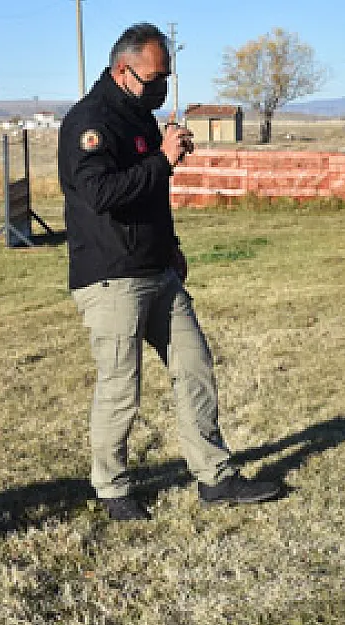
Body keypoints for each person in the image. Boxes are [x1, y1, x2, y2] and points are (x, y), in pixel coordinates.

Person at [58, 22, 280, 520]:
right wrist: (162, 158)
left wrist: (172, 245)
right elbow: (100, 195)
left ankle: (215, 477)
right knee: (121, 384)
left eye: (166, 79)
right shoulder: (89, 122)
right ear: (122, 70)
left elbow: (151, 194)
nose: (160, 89)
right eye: (154, 79)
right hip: (112, 276)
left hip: (158, 270)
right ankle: (112, 488)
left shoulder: (139, 117)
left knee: (195, 367)